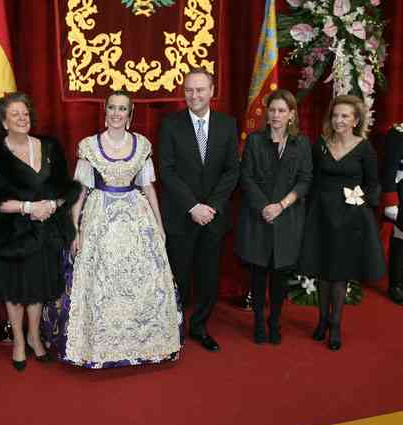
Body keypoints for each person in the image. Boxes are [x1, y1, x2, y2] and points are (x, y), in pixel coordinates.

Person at [42, 91, 183, 368]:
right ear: (105, 112)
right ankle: (97, 347)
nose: (117, 113)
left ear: (130, 114)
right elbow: (80, 190)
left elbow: (147, 186)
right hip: (100, 217)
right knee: (100, 280)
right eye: (112, 108)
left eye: (122, 109)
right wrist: (75, 229)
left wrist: (159, 224)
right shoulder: (89, 146)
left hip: (136, 216)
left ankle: (142, 344)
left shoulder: (142, 145)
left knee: (139, 279)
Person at [0, 92, 80, 372]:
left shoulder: (49, 147)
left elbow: (65, 189)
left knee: (38, 287)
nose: (22, 119)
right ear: (3, 122)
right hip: (12, 233)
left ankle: (35, 337)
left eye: (25, 113)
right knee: (15, 290)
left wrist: (52, 204)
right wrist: (27, 207)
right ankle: (19, 341)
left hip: (47, 231)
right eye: (15, 115)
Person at [158, 68, 240, 352]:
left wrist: (211, 206)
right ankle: (174, 329)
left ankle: (200, 326)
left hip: (213, 218)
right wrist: (193, 206)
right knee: (178, 277)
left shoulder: (227, 125)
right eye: (189, 90)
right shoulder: (170, 125)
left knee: (208, 278)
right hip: (181, 215)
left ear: (212, 91)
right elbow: (166, 170)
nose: (194, 95)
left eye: (200, 89)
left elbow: (232, 171)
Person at [299, 95, 386, 351]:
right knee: (323, 270)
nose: (339, 120)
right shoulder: (321, 145)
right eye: (336, 115)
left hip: (349, 218)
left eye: (345, 116)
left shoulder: (364, 148)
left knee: (339, 273)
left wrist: (359, 202)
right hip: (321, 215)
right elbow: (312, 180)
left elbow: (373, 185)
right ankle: (322, 320)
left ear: (355, 120)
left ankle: (335, 325)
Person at [235, 89, 313, 345]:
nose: (276, 115)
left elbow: (305, 180)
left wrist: (281, 205)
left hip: (287, 218)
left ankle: (275, 321)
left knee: (279, 278)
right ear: (267, 114)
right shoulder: (255, 141)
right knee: (258, 275)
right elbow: (246, 177)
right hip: (258, 218)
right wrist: (264, 207)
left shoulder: (302, 143)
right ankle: (259, 321)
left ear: (291, 114)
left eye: (282, 110)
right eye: (272, 110)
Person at [380, 123, 403, 305]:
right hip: (402, 188)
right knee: (400, 235)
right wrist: (390, 201)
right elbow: (389, 169)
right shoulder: (398, 133)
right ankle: (396, 284)